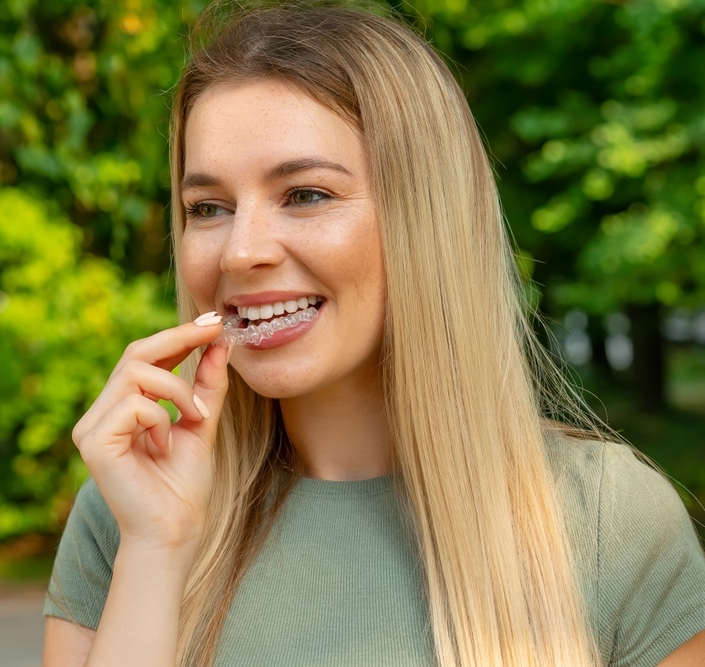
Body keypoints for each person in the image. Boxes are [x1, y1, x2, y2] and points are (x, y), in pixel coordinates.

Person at [41, 2, 705, 665]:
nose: (240, 253)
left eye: (305, 194)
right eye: (208, 208)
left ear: (425, 219)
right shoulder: (129, 513)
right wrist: (156, 548)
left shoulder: (607, 521)